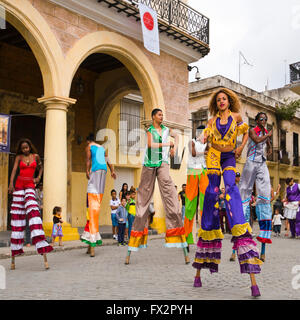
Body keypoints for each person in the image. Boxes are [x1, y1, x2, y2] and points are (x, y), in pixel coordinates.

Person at [192, 88, 263, 297]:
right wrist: (199, 143)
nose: (222, 101)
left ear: (229, 101)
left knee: (231, 189)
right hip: (213, 155)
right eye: (219, 99)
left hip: (229, 156)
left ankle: (239, 224)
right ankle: (208, 225)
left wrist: (241, 148)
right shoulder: (213, 120)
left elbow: (246, 134)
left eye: (224, 98)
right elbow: (204, 138)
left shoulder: (237, 117)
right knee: (212, 192)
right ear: (216, 103)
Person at [125, 108, 189, 265]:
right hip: (149, 165)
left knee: (171, 200)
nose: (162, 116)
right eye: (159, 114)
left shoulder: (167, 130)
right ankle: (132, 248)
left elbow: (177, 136)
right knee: (142, 204)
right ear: (153, 116)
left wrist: (174, 147)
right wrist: (168, 143)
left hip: (163, 164)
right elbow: (151, 144)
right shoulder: (150, 130)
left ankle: (182, 245)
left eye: (162, 115)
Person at [8, 138, 53, 270]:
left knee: (34, 213)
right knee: (17, 218)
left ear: (30, 147)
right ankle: (14, 256)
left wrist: (38, 177)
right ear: (21, 149)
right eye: (23, 148)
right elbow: (14, 170)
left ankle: (42, 249)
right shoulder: (19, 157)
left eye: (26, 147)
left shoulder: (36, 156)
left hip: (29, 185)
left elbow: (41, 168)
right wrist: (11, 184)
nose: (25, 150)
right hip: (19, 184)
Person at [239, 112, 273, 262]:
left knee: (265, 194)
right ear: (257, 120)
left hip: (261, 162)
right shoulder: (252, 130)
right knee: (244, 193)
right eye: (261, 119)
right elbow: (258, 139)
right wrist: (268, 136)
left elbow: (266, 142)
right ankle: (242, 230)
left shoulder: (265, 131)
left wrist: (270, 146)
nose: (264, 121)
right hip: (251, 163)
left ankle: (264, 237)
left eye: (265, 119)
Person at [81, 133, 117, 257]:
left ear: (88, 141)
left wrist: (87, 170)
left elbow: (88, 159)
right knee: (95, 205)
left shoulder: (89, 146)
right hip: (104, 172)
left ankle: (92, 245)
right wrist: (112, 170)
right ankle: (89, 246)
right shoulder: (101, 148)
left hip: (95, 171)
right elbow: (107, 160)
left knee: (91, 207)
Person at [184, 125, 209, 251]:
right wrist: (204, 152)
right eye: (204, 133)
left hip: (203, 172)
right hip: (193, 172)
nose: (205, 135)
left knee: (205, 205)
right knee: (190, 206)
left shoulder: (206, 143)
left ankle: (204, 237)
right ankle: (187, 239)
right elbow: (193, 154)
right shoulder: (191, 142)